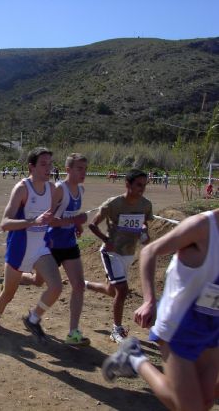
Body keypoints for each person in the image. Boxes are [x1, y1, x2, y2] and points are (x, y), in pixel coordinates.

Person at [102, 208, 219, 411]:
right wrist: (149, 300)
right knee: (189, 407)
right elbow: (150, 251)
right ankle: (134, 357)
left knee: (207, 401)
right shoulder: (201, 226)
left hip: (211, 326)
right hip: (179, 325)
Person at [0, 148, 81, 349]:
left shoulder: (53, 190)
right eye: (43, 164)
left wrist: (72, 222)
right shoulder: (22, 189)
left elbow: (50, 220)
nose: (49, 168)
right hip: (19, 248)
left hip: (41, 248)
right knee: (8, 295)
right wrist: (32, 221)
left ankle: (33, 318)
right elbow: (5, 223)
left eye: (50, 164)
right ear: (32, 167)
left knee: (56, 287)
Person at [86, 169, 153, 343]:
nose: (142, 189)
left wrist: (144, 233)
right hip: (111, 252)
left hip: (129, 253)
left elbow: (143, 224)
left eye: (144, 185)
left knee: (112, 290)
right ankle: (116, 330)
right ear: (127, 184)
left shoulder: (145, 205)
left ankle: (85, 284)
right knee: (122, 290)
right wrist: (106, 240)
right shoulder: (113, 204)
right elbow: (92, 225)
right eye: (138, 185)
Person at [46, 153, 91, 345]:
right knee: (37, 281)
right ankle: (14, 279)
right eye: (79, 168)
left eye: (85, 169)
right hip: (52, 245)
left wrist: (77, 226)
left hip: (70, 245)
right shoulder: (59, 189)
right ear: (68, 170)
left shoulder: (80, 190)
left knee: (78, 286)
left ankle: (73, 332)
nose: (83, 173)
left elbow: (70, 214)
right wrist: (74, 220)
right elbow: (48, 219)